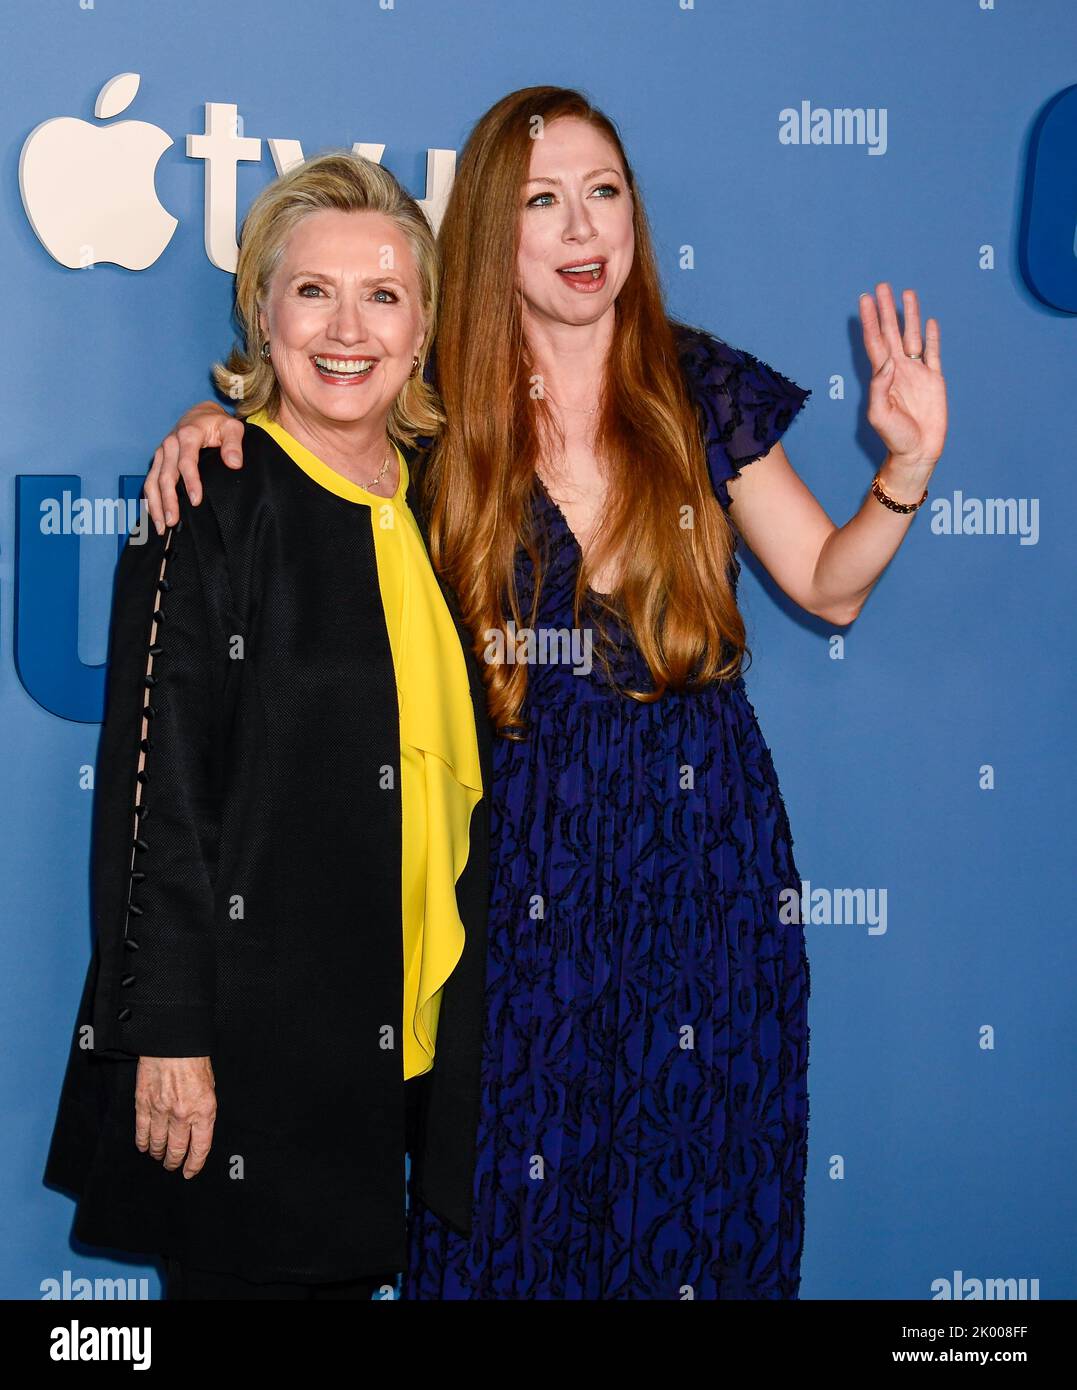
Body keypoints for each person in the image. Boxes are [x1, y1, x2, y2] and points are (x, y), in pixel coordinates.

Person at [141, 87, 947, 1299]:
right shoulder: (434, 414)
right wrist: (219, 420)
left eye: (604, 194)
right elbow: (317, 434)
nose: (583, 229)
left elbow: (828, 586)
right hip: (516, 869)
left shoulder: (698, 386)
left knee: (698, 1189)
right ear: (490, 239)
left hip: (704, 863)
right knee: (509, 1211)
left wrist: (904, 473)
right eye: (542, 202)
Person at [44, 151, 492, 1299]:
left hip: (407, 1053)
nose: (348, 328)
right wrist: (168, 1036)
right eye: (312, 292)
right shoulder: (211, 497)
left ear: (424, 323)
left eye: (383, 295)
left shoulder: (449, 504)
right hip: (247, 1056)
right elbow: (157, 797)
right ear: (261, 311)